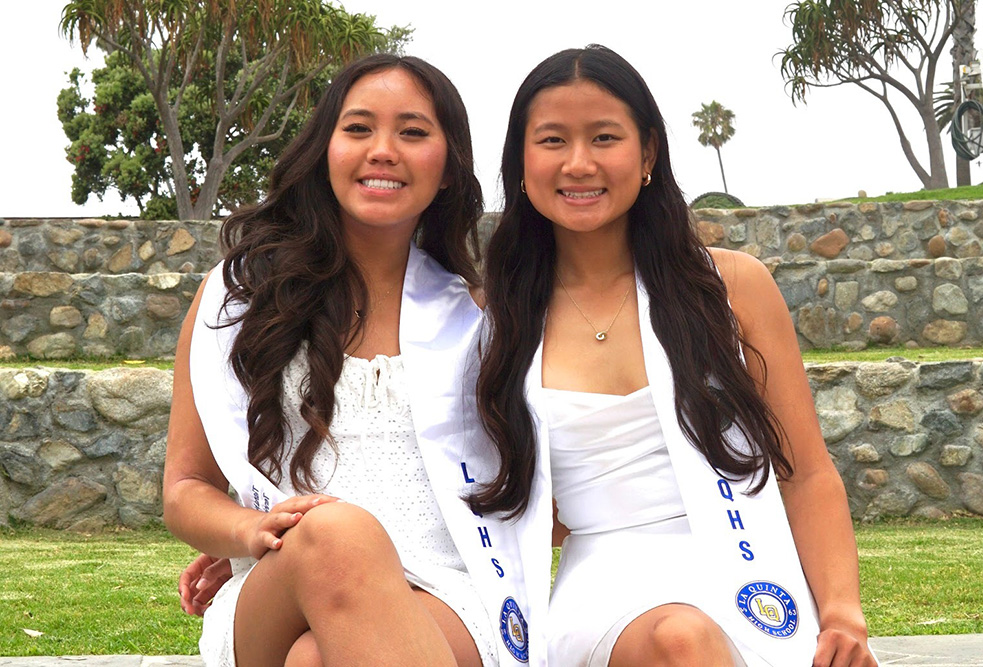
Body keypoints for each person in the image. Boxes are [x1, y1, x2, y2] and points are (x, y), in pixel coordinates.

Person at [473, 45, 879, 667]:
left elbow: (806, 471)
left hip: (752, 571)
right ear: (521, 164)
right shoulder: (495, 319)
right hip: (608, 590)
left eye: (604, 137)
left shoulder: (732, 288)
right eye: (553, 140)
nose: (579, 163)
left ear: (648, 155)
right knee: (681, 639)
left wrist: (842, 613)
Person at [163, 53, 549, 667]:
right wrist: (248, 531)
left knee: (317, 659)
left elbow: (541, 489)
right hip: (280, 582)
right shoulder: (237, 306)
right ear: (325, 149)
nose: (383, 150)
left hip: (448, 591)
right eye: (359, 128)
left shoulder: (483, 322)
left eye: (414, 132)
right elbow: (186, 488)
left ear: (449, 168)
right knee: (336, 532)